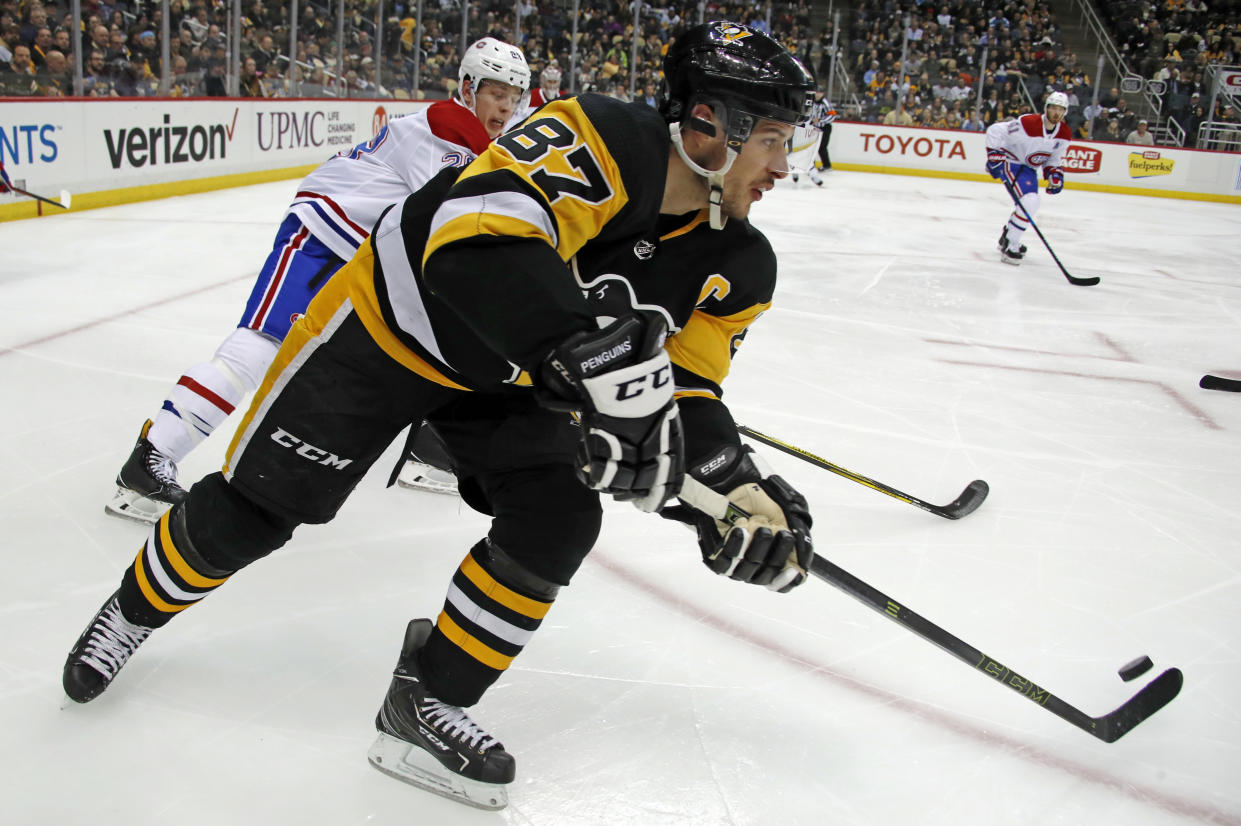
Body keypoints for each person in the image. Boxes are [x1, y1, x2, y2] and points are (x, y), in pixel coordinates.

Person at [62, 20, 817, 811]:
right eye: (770, 141)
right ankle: (131, 612)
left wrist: (732, 489)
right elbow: (468, 237)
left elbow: (685, 392)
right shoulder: (602, 135)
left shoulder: (740, 263)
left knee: (556, 518)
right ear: (707, 127)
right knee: (254, 511)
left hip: (512, 377)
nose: (781, 168)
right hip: (392, 326)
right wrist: (576, 355)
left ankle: (426, 699)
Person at [102, 37, 531, 524]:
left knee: (424, 343)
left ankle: (431, 450)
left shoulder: (470, 139)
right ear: (469, 87)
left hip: (363, 255)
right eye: (496, 91)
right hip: (324, 237)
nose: (505, 105)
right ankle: (151, 456)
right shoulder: (447, 127)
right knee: (258, 350)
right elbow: (455, 221)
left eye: (514, 96)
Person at [985, 90, 1070, 265]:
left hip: (1029, 169)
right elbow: (995, 130)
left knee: (1029, 204)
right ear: (1046, 108)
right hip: (1010, 162)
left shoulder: (1065, 134)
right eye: (1053, 108)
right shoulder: (1028, 123)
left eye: (1060, 109)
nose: (1056, 112)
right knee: (1030, 201)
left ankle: (1008, 237)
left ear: (1065, 112)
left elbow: (1054, 158)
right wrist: (994, 156)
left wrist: (1054, 174)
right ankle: (1011, 245)